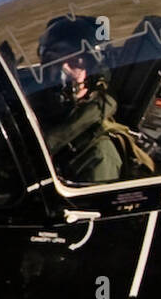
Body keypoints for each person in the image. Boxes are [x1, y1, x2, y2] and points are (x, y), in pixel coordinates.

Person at [33, 16, 124, 183]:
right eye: (54, 60)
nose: (62, 69)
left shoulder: (98, 153)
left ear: (94, 75)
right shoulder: (33, 113)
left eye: (74, 62)